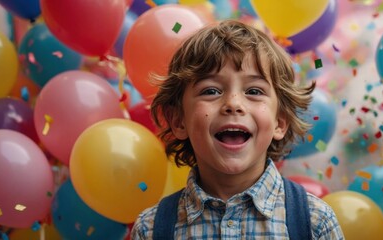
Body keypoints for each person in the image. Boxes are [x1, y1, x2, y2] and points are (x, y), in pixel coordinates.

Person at [131, 19, 344, 239]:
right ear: (178, 121)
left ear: (279, 122)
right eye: (211, 91)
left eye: (253, 90)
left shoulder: (315, 222)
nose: (233, 103)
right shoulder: (150, 230)